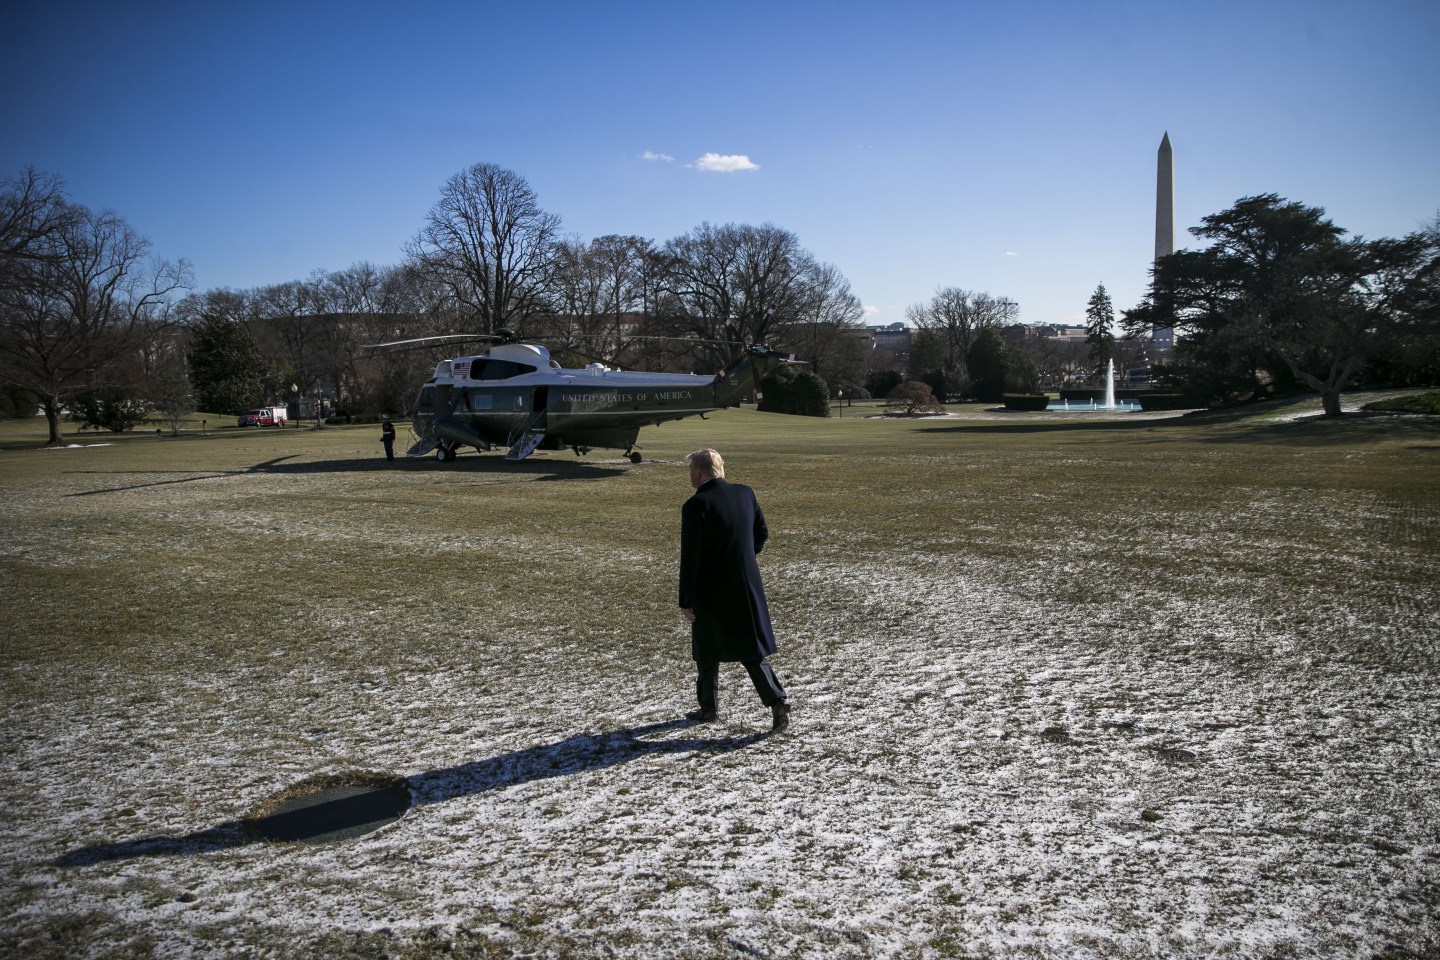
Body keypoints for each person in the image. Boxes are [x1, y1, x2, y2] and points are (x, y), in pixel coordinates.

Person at [678, 448, 790, 732]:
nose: (689, 475)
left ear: (699, 473)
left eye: (691, 470)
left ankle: (708, 708)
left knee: (705, 651)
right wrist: (743, 558)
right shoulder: (745, 493)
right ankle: (777, 702)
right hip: (745, 585)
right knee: (751, 651)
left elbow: (690, 557)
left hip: (709, 590)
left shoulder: (695, 506)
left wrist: (686, 599)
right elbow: (761, 533)